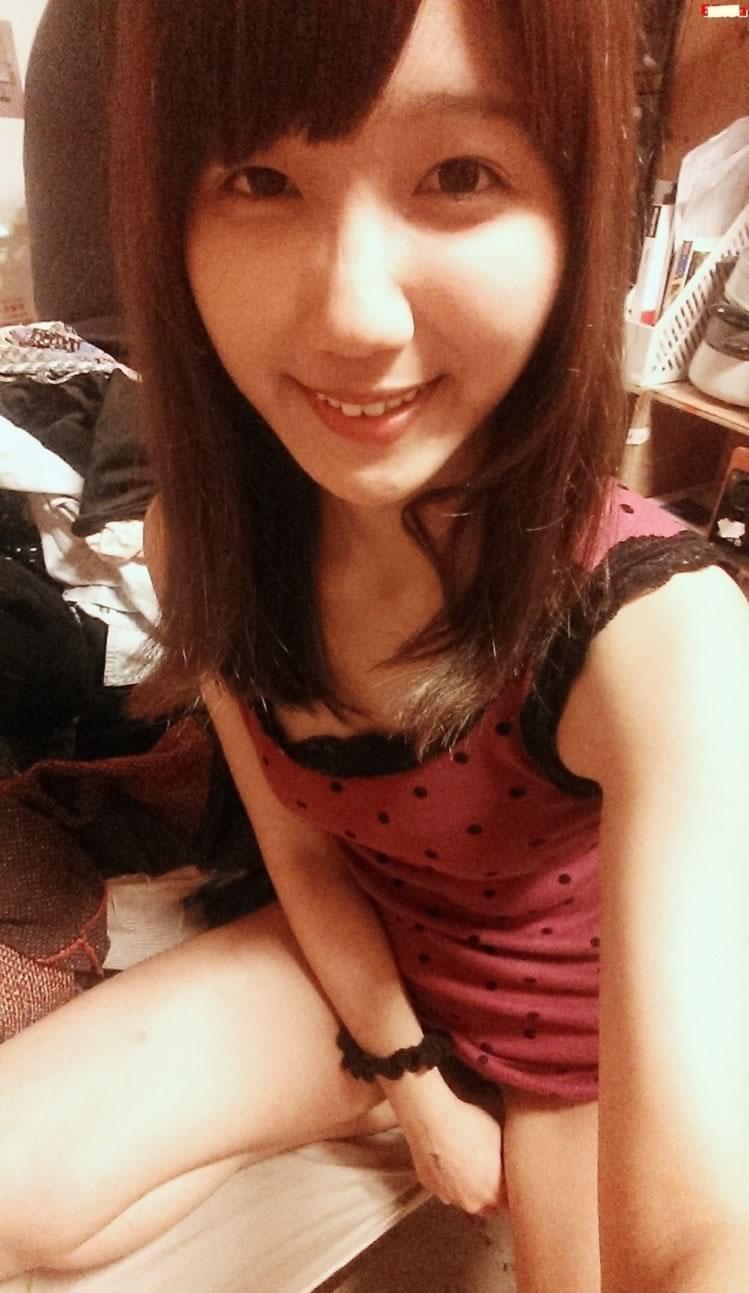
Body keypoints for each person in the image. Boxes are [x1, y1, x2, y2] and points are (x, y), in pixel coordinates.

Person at [1, 1, 748, 1290]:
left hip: (580, 1040)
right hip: (377, 969)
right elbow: (300, 849)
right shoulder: (201, 541)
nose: (354, 317)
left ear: (579, 216)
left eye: (460, 174)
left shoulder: (657, 634)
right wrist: (412, 1081)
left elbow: (701, 1230)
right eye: (260, 179)